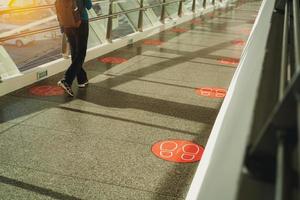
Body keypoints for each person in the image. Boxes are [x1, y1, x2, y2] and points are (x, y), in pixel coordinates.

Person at [58, 0, 92, 97]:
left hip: (67, 24)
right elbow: (89, 6)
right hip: (80, 22)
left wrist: (62, 27)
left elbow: (58, 7)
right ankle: (66, 80)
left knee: (74, 52)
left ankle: (82, 79)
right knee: (81, 53)